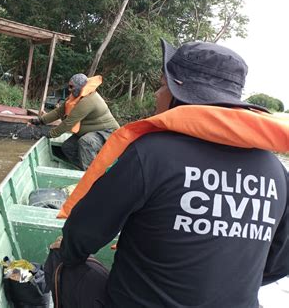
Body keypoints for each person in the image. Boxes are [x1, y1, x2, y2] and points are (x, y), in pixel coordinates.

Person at [46, 39, 289, 307]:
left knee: (61, 257)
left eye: (162, 85)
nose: (156, 94)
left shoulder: (150, 154)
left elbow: (82, 233)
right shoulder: (276, 170)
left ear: (179, 93)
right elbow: (280, 262)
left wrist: (66, 249)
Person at [31, 73, 119, 170]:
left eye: (71, 87)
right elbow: (58, 112)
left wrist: (49, 134)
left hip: (107, 133)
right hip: (90, 132)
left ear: (80, 87)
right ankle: (84, 168)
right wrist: (40, 120)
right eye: (69, 86)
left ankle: (92, 175)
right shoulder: (75, 97)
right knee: (68, 147)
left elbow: (68, 123)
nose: (69, 89)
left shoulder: (88, 101)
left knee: (86, 142)